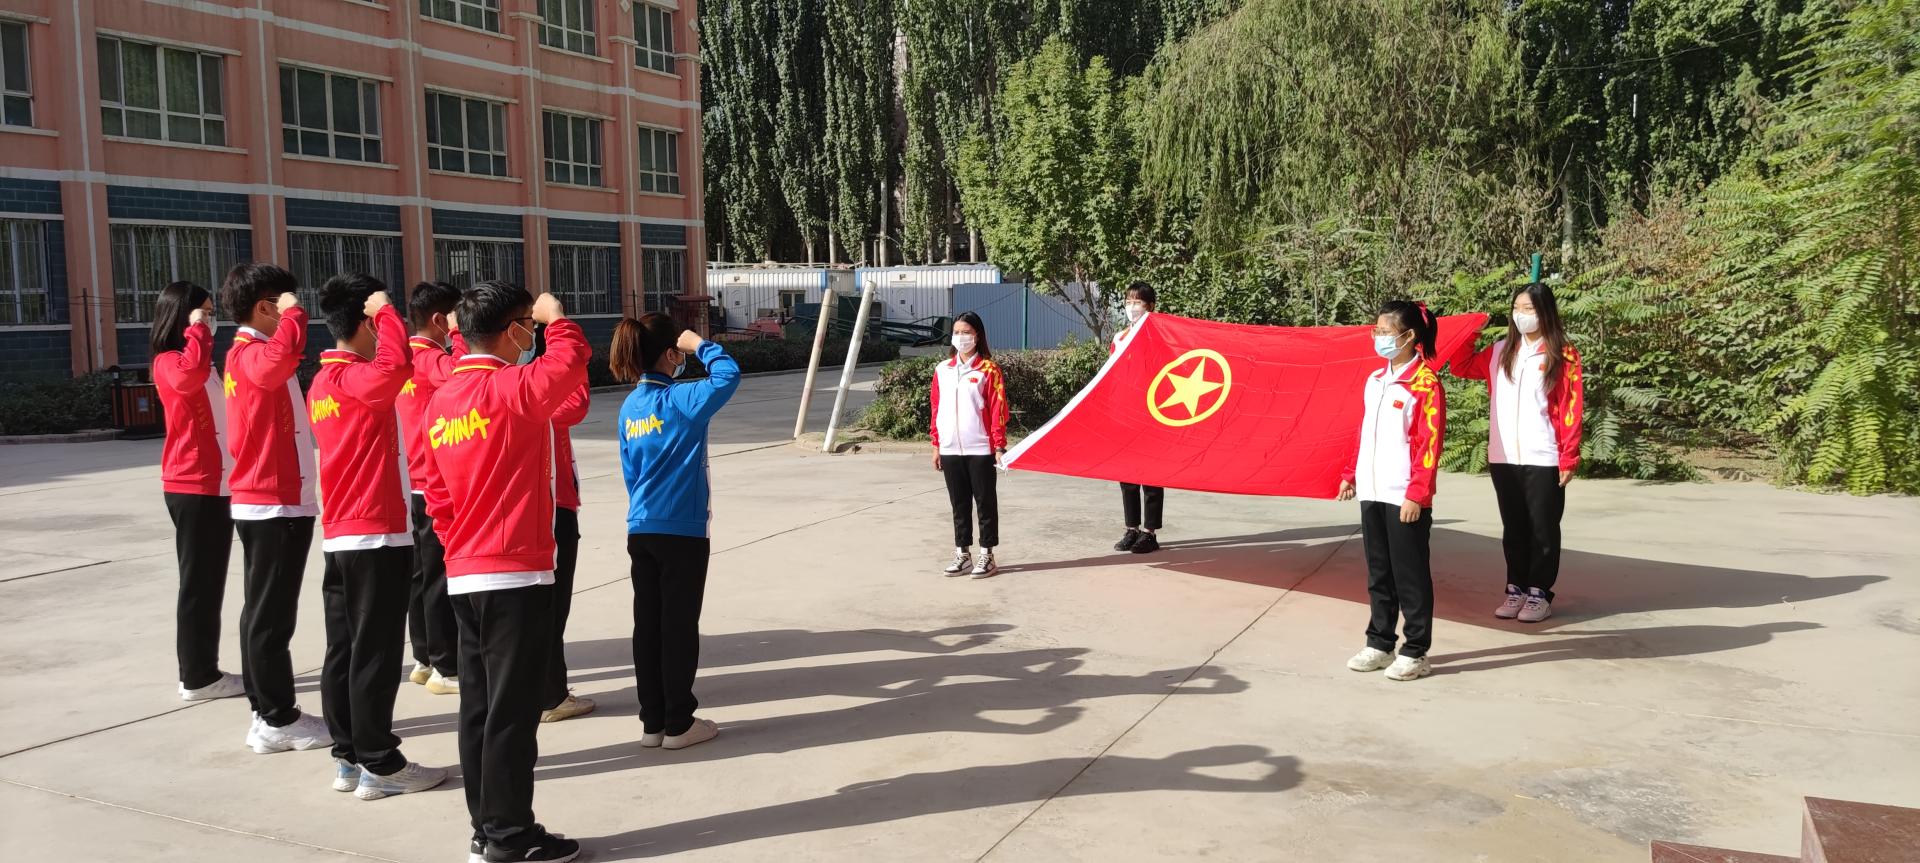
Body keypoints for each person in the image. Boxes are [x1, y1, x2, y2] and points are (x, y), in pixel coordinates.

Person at [422, 282, 585, 863]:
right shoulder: (511, 388)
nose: (532, 336)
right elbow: (569, 363)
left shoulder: (442, 400)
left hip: (466, 574)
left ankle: (486, 826)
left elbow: (436, 496)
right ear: (513, 330)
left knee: (479, 709)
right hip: (515, 574)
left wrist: (461, 547)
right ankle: (511, 836)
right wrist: (557, 320)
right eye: (527, 327)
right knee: (512, 714)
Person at [308, 274, 449, 801]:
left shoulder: (321, 384)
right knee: (375, 653)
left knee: (344, 650)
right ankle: (380, 762)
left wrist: (380, 316)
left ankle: (348, 756)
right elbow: (397, 365)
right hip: (374, 533)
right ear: (366, 323)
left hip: (343, 533)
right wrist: (387, 312)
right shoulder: (355, 379)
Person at [611, 314, 740, 750]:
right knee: (679, 626)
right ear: (671, 354)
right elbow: (728, 374)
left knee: (647, 626)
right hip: (682, 531)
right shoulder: (684, 399)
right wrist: (699, 344)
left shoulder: (630, 407)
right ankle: (679, 723)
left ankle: (653, 723)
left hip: (641, 526)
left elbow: (630, 471)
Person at [221, 262, 330, 752]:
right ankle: (277, 717)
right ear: (266, 307)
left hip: (271, 498)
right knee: (270, 617)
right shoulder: (252, 354)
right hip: (272, 501)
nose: (293, 311)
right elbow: (280, 358)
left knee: (263, 611)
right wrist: (295, 315)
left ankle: (266, 711)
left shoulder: (251, 352)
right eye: (284, 303)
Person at [1449, 282, 1584, 623]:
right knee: (1514, 528)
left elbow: (1571, 406)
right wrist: (1471, 330)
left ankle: (1539, 593)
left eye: (1529, 309)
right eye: (1517, 308)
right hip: (1503, 456)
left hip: (1543, 455)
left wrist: (1568, 455)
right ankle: (1516, 589)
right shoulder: (1499, 351)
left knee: (1543, 529)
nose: (1521, 315)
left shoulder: (1562, 354)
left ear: (1545, 313)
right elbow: (1460, 365)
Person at [1338, 301, 1446, 682]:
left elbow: (1429, 444)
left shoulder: (1425, 384)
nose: (1379, 338)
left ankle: (1416, 650)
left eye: (1386, 332)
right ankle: (1380, 642)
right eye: (1377, 331)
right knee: (1379, 572)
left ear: (1409, 336)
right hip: (1373, 490)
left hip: (1404, 495)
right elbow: (1364, 432)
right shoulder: (1376, 381)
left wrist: (1417, 494)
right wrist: (1351, 474)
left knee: (1410, 575)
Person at [150, 281, 244, 703]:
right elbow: (188, 378)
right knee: (199, 583)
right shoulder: (171, 362)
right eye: (202, 312)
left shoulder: (201, 361)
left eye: (210, 313)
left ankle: (205, 669)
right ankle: (197, 676)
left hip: (217, 483)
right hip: (193, 484)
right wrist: (198, 331)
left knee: (209, 580)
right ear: (181, 317)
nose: (209, 320)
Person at [399, 281, 463, 696]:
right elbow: (464, 372)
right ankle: (445, 666)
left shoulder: (399, 355)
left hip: (410, 480)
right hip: (430, 481)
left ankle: (424, 657)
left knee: (421, 575)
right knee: (438, 575)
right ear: (440, 320)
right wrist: (459, 335)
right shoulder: (430, 358)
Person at [930, 311, 1009, 578]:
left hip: (980, 448)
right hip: (950, 448)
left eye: (966, 332)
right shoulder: (942, 370)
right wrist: (936, 445)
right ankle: (962, 554)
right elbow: (936, 408)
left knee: (985, 503)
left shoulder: (989, 369)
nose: (961, 337)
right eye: (957, 332)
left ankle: (987, 555)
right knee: (959, 504)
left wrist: (999, 446)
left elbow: (998, 409)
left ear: (977, 336)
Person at [541, 381, 596, 723]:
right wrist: (573, 360)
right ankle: (551, 696)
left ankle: (543, 690)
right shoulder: (526, 397)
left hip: (537, 508)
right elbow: (576, 403)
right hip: (553, 507)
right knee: (553, 606)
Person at [1112, 284, 1166, 555]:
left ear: (1150, 306)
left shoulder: (1160, 336)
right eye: (1128, 301)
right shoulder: (1119, 338)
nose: (1132, 307)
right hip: (1125, 415)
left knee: (1151, 475)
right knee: (1127, 475)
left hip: (1152, 414)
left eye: (1138, 302)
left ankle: (1150, 532)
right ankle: (1131, 528)